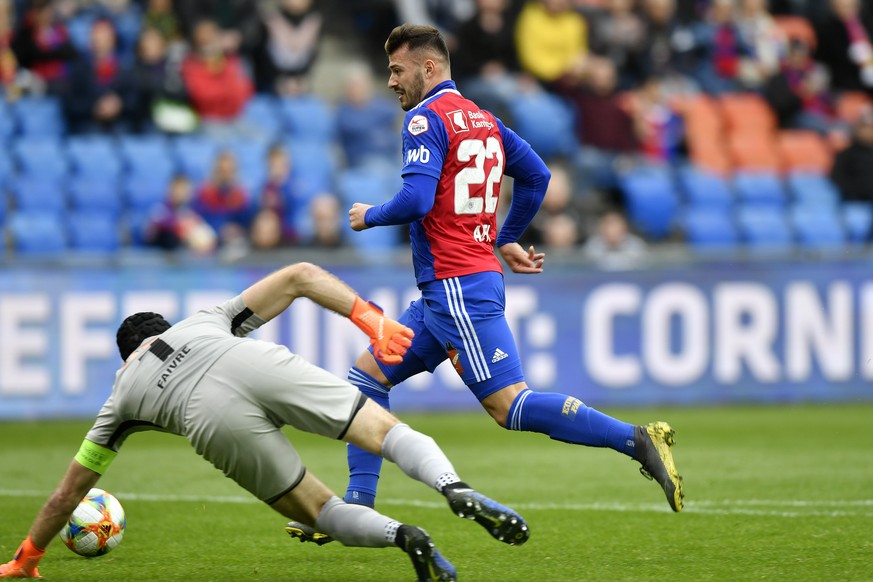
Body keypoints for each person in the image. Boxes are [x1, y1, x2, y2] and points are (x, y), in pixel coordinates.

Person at [287, 24, 684, 543]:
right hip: (447, 290)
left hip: (457, 286)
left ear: (429, 68)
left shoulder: (424, 119)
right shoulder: (484, 119)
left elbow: (416, 201)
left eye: (396, 69)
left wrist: (370, 214)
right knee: (365, 381)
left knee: (511, 406)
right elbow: (537, 175)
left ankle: (636, 440)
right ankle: (355, 510)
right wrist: (506, 236)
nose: (390, 82)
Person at [0, 261, 530, 581]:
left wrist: (27, 557)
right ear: (166, 328)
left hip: (211, 421)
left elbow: (64, 497)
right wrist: (374, 320)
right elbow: (300, 276)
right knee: (387, 433)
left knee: (322, 511)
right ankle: (452, 485)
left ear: (126, 357)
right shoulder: (204, 320)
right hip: (254, 363)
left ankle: (405, 536)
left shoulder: (119, 400)